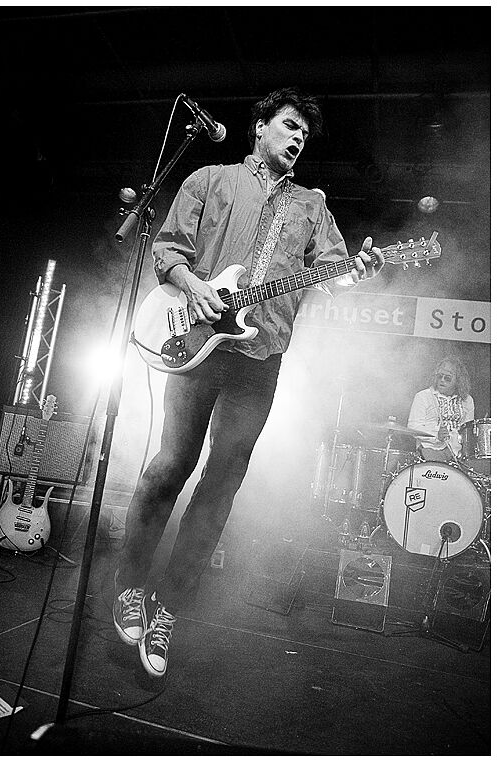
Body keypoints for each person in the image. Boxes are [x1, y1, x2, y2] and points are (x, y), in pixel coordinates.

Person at [113, 87, 385, 678]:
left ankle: (167, 609)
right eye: (288, 126)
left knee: (221, 486)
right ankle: (130, 587)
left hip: (260, 358)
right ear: (259, 127)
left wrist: (356, 271)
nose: (297, 138)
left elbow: (332, 272)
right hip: (196, 343)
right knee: (171, 465)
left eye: (304, 134)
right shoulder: (210, 180)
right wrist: (196, 287)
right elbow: (168, 249)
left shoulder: (312, 206)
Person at [408, 355, 474, 462]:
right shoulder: (423, 396)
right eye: (439, 376)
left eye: (447, 378)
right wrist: (436, 434)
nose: (442, 380)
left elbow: (468, 430)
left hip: (457, 454)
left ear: (458, 381)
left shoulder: (467, 400)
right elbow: (413, 427)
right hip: (430, 451)